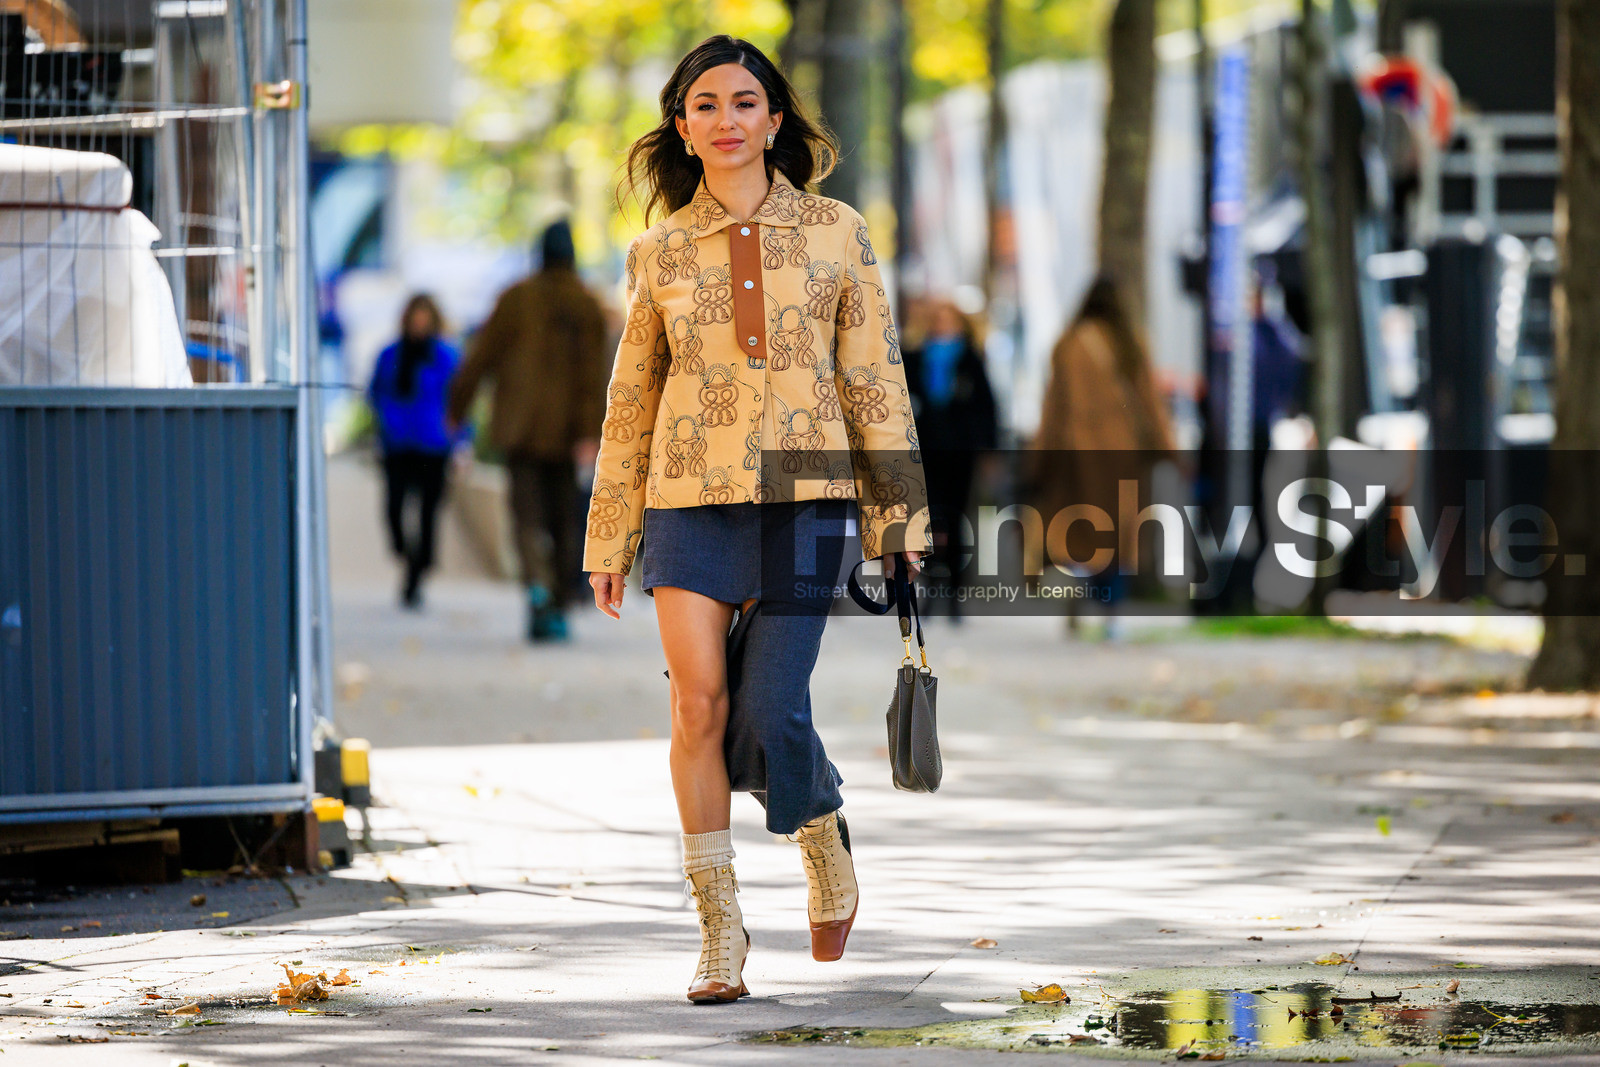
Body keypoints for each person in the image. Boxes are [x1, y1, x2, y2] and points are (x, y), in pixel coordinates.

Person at [583, 35, 931, 1004]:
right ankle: (720, 930)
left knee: (767, 712)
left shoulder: (836, 231)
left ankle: (821, 831)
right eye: (705, 105)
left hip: (810, 498)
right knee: (698, 707)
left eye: (745, 102)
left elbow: (873, 379)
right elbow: (630, 400)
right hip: (686, 499)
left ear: (775, 119)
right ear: (682, 130)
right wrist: (607, 537)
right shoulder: (656, 252)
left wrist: (898, 518)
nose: (726, 119)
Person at [447, 220, 608, 642]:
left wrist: (456, 409)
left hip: (519, 428)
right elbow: (597, 377)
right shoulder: (586, 305)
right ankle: (557, 600)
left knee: (526, 517)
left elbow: (480, 357)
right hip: (569, 433)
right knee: (566, 519)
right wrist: (593, 433)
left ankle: (537, 588)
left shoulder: (516, 298)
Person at [1029, 276, 1177, 632]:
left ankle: (1078, 599)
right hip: (1122, 456)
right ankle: (1113, 617)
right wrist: (1170, 450)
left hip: (1077, 456)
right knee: (1118, 537)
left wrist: (1038, 459)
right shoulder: (1130, 343)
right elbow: (1149, 402)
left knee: (1080, 533)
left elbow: (1054, 407)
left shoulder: (1068, 344)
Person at [902, 299, 998, 619]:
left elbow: (987, 407)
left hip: (960, 452)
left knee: (956, 521)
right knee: (929, 521)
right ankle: (930, 588)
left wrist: (987, 448)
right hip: (924, 451)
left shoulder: (970, 358)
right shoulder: (914, 357)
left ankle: (955, 593)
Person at [367, 293, 462, 609]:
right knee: (394, 509)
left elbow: (459, 402)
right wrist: (386, 422)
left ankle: (416, 578)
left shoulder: (446, 356)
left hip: (434, 446)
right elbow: (375, 393)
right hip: (398, 445)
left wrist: (461, 441)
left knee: (428, 515)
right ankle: (407, 557)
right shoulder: (390, 355)